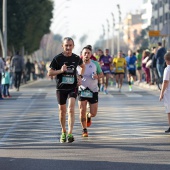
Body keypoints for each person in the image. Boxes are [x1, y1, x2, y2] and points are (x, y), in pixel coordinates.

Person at [48, 37, 85, 143]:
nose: (68, 47)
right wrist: (60, 71)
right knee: (62, 111)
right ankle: (63, 131)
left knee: (71, 109)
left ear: (73, 46)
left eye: (70, 45)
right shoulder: (57, 58)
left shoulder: (76, 58)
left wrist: (80, 77)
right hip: (60, 88)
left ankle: (70, 133)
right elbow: (49, 73)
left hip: (72, 87)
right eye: (66, 45)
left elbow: (83, 66)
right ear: (62, 46)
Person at [77, 45, 103, 137]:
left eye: (88, 53)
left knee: (94, 113)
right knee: (81, 111)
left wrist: (97, 76)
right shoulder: (77, 65)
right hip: (82, 90)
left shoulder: (95, 64)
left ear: (91, 54)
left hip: (93, 90)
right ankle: (84, 130)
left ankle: (89, 115)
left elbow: (101, 74)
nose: (87, 55)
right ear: (82, 55)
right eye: (85, 53)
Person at [159, 52, 170, 133]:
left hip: (169, 92)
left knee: (169, 110)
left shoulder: (168, 69)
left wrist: (161, 93)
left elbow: (165, 82)